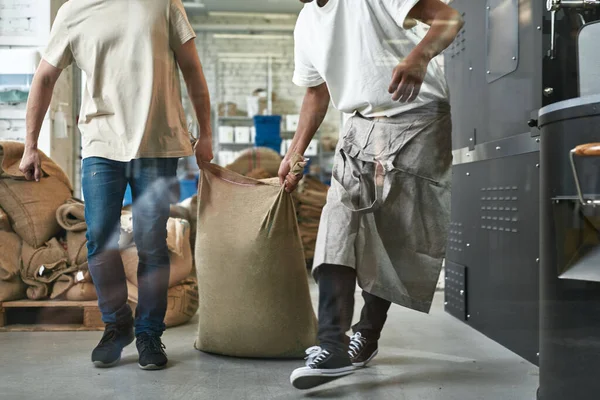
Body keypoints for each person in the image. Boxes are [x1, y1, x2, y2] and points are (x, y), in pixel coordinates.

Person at [279, 0, 464, 389]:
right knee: (337, 220)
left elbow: (449, 17)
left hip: (418, 118)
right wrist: (295, 153)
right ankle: (330, 344)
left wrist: (419, 57)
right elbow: (316, 93)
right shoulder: (307, 21)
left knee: (392, 235)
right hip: (358, 125)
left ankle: (368, 333)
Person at [19, 0, 213, 370]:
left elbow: (191, 68)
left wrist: (205, 134)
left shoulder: (164, 3)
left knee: (152, 241)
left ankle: (149, 334)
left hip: (159, 141)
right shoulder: (74, 10)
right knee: (99, 239)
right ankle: (116, 324)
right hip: (101, 143)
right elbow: (44, 77)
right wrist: (30, 146)